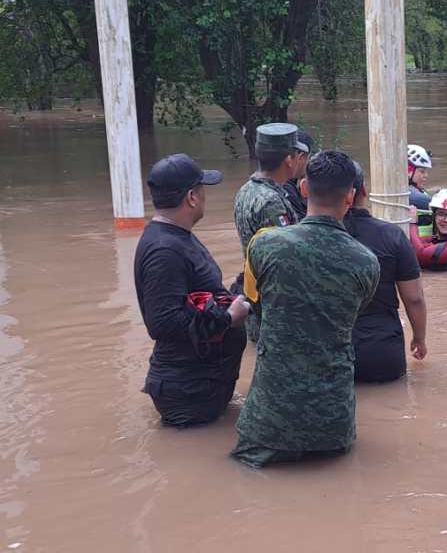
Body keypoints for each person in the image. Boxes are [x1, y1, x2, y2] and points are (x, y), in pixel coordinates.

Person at [232, 151, 380, 468]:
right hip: (333, 424)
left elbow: (255, 305)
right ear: (351, 196)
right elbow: (350, 315)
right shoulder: (367, 262)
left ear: (303, 188)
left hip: (267, 422)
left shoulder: (263, 246)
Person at [134, 154, 251, 427]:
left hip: (201, 383)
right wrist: (228, 319)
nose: (205, 196)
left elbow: (197, 297)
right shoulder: (164, 250)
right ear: (192, 197)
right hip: (189, 391)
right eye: (202, 189)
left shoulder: (176, 236)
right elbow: (162, 323)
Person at [344, 161, 428, 382]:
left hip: (327, 355)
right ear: (363, 190)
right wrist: (419, 338)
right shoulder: (391, 235)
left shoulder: (302, 239)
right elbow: (414, 298)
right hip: (381, 351)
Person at [232, 123, 303, 340]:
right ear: (289, 160)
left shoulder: (246, 189)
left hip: (255, 293)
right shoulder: (271, 202)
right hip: (272, 306)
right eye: (297, 155)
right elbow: (284, 261)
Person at [282, 130, 316, 220]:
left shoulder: (279, 181)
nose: (309, 163)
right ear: (301, 157)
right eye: (308, 158)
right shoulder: (286, 190)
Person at [407, 144, 435, 237]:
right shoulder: (411, 195)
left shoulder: (415, 190)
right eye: (422, 171)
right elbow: (429, 202)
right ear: (408, 170)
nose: (426, 175)